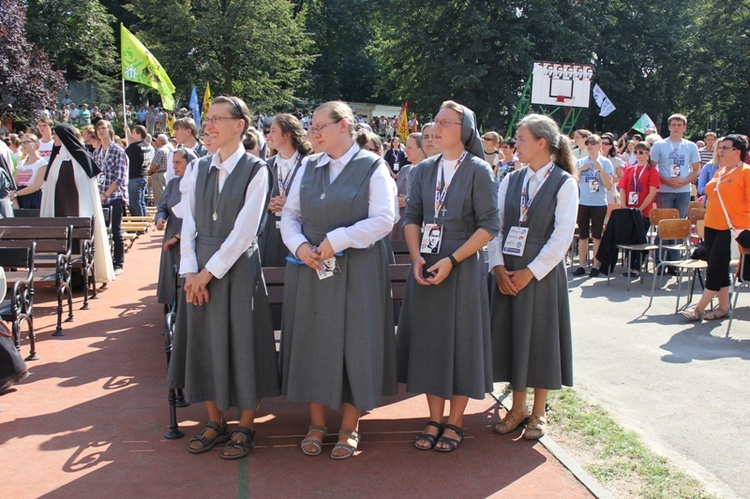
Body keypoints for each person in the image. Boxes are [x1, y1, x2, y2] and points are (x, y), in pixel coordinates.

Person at [279, 100, 397, 459]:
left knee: (354, 344)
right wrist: (300, 246)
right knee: (314, 341)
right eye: (310, 127)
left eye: (319, 126)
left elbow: (384, 219)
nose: (313, 133)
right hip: (312, 268)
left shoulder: (373, 166)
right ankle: (316, 424)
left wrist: (339, 239)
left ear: (344, 125)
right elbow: (290, 215)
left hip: (357, 269)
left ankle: (349, 427)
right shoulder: (308, 166)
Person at [167, 95, 280, 460]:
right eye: (208, 119)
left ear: (239, 125)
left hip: (235, 270)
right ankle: (215, 421)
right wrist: (188, 272)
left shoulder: (257, 170)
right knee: (205, 343)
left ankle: (245, 425)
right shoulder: (198, 168)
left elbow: (245, 232)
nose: (208, 126)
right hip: (198, 268)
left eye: (217, 119)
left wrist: (207, 273)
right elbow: (189, 227)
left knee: (244, 344)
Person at [397, 101, 499, 452]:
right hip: (425, 263)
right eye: (435, 121)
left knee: (460, 342)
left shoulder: (478, 170)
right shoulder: (423, 170)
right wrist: (415, 258)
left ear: (464, 130)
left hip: (463, 266)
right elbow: (412, 216)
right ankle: (433, 417)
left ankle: (455, 421)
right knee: (430, 342)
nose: (436, 128)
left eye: (445, 122)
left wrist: (453, 260)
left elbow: (490, 226)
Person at [489, 113, 577, 440]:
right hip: (508, 270)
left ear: (542, 143)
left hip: (541, 275)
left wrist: (531, 272)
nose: (516, 144)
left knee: (540, 340)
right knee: (515, 339)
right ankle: (517, 408)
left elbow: (562, 236)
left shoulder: (565, 183)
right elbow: (495, 228)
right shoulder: (511, 180)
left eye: (522, 139)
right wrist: (497, 266)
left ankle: (539, 412)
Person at [681, 135, 750, 321]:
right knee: (717, 267)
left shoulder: (745, 172)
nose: (720, 151)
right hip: (712, 226)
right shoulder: (721, 171)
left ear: (737, 152)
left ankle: (699, 308)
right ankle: (724, 307)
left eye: (725, 148)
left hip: (730, 229)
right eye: (720, 147)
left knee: (715, 269)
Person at [40, 124, 115, 284]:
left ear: (64, 137)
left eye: (56, 135)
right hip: (58, 212)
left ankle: (83, 277)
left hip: (80, 211)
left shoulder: (81, 159)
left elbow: (86, 189)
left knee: (79, 242)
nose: (53, 138)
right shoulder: (56, 159)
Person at [258, 114, 311, 267]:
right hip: (270, 236)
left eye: (274, 131)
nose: (268, 135)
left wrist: (290, 204)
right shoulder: (266, 165)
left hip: (299, 235)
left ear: (287, 134)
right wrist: (267, 204)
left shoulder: (308, 164)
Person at [650, 114, 701, 270]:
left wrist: (684, 181)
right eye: (674, 124)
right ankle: (660, 261)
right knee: (664, 225)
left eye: (679, 125)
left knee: (678, 225)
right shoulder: (659, 145)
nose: (676, 127)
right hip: (664, 190)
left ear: (685, 127)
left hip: (683, 190)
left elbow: (696, 170)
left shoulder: (690, 146)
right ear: (669, 127)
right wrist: (665, 180)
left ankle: (675, 263)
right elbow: (651, 168)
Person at [154, 148, 196, 306]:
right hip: (171, 235)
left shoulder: (197, 184)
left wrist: (178, 237)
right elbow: (162, 206)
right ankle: (170, 310)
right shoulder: (173, 183)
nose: (174, 167)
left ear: (189, 163)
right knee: (171, 279)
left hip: (188, 237)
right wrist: (159, 218)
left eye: (178, 163)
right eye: (173, 163)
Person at [571, 134, 613, 277]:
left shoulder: (605, 162)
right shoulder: (580, 162)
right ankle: (582, 265)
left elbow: (609, 186)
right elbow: (572, 182)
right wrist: (580, 170)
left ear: (599, 145)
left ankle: (596, 265)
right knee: (583, 235)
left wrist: (600, 170)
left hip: (599, 203)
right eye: (588, 142)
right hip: (583, 202)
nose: (590, 145)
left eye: (593, 143)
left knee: (596, 236)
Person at [617, 141, 660, 277]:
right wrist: (624, 207)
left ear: (648, 154)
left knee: (639, 238)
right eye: (636, 152)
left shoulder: (651, 171)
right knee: (630, 238)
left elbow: (652, 192)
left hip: (644, 212)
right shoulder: (630, 169)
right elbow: (622, 189)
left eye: (641, 152)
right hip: (629, 210)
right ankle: (631, 266)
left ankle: (637, 267)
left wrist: (640, 209)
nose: (638, 155)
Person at [92, 119, 128, 275]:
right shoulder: (96, 153)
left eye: (104, 128)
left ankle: (118, 263)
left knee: (116, 231)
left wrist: (105, 194)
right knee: (101, 231)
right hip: (99, 197)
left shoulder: (118, 151)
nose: (101, 131)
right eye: (98, 128)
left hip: (114, 197)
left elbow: (119, 178)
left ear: (110, 130)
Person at [390, 132, 424, 240]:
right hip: (396, 227)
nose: (405, 151)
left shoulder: (428, 172)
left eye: (409, 147)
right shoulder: (404, 169)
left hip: (414, 228)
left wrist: (407, 200)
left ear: (421, 149)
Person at [11, 134, 48, 209]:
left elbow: (36, 186)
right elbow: (14, 183)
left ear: (36, 144)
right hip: (19, 197)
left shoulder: (42, 163)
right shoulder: (21, 163)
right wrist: (14, 198)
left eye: (27, 142)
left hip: (33, 198)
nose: (24, 145)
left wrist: (16, 194)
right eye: (22, 142)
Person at [124, 125, 153, 217]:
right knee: (141, 202)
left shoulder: (134, 147)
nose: (132, 135)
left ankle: (139, 224)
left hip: (134, 177)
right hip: (143, 176)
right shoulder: (147, 145)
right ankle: (144, 222)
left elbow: (125, 155)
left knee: (135, 203)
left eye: (133, 133)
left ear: (139, 134)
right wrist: (128, 133)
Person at [166, 118, 207, 182]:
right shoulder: (174, 154)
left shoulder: (206, 152)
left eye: (177, 130)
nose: (174, 134)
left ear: (188, 131)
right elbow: (169, 179)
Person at [149, 134, 172, 205]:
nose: (156, 142)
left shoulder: (160, 150)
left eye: (157, 140)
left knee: (159, 198)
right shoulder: (168, 149)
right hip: (165, 174)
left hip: (158, 176)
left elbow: (154, 165)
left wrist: (149, 173)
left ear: (161, 141)